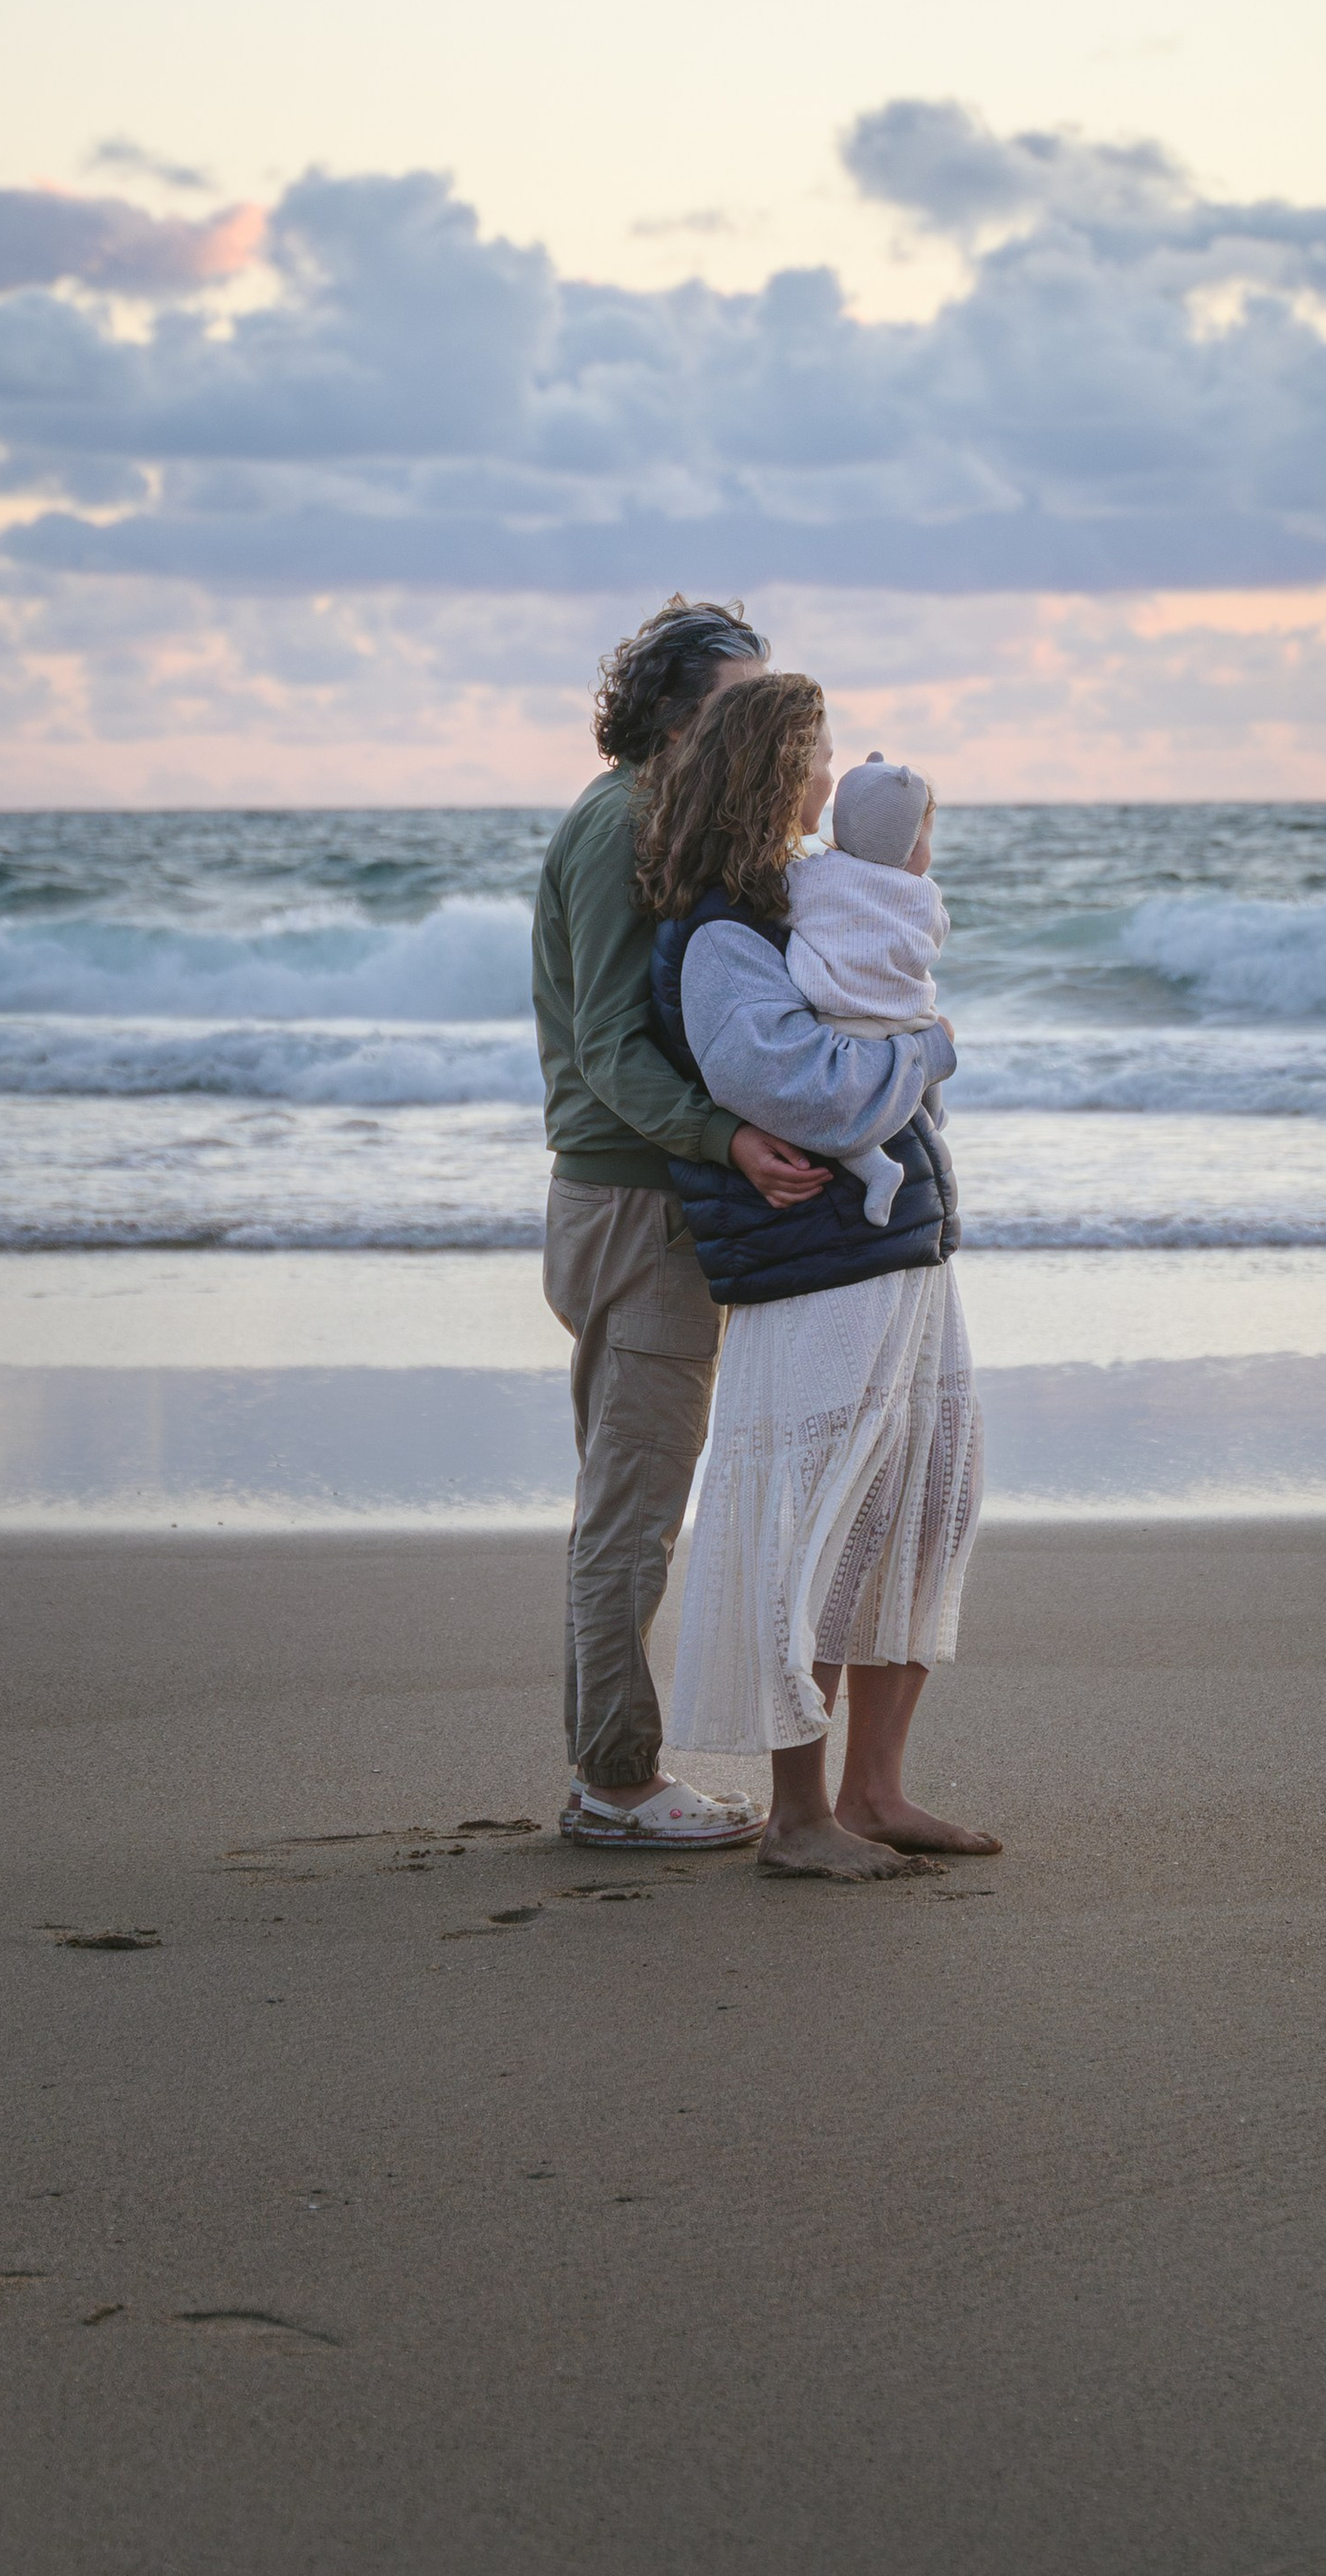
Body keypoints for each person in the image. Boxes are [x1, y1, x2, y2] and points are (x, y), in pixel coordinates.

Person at [640, 672, 999, 1881]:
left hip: (899, 1250)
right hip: (818, 1271)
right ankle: (798, 1818)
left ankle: (877, 1791)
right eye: (816, 752)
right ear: (768, 768)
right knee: (820, 1525)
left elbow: (865, 1053)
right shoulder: (721, 932)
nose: (830, 775)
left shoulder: (816, 908)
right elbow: (800, 1085)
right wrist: (929, 1043)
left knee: (922, 1506)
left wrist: (898, 1046)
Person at [531, 594, 834, 1855]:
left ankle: (614, 1769)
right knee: (635, 1506)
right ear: (666, 713)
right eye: (728, 705)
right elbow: (607, 1049)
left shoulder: (664, 820)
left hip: (648, 1202)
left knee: (634, 1493)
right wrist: (727, 1139)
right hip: (633, 1202)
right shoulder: (620, 823)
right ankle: (614, 1781)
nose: (753, 732)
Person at [782, 748, 948, 1227]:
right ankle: (928, 1123)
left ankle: (875, 1166)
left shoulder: (814, 876)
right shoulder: (923, 894)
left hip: (843, 1021)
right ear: (909, 846)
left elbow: (780, 908)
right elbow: (936, 934)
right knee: (922, 1065)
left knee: (831, 1112)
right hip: (909, 1018)